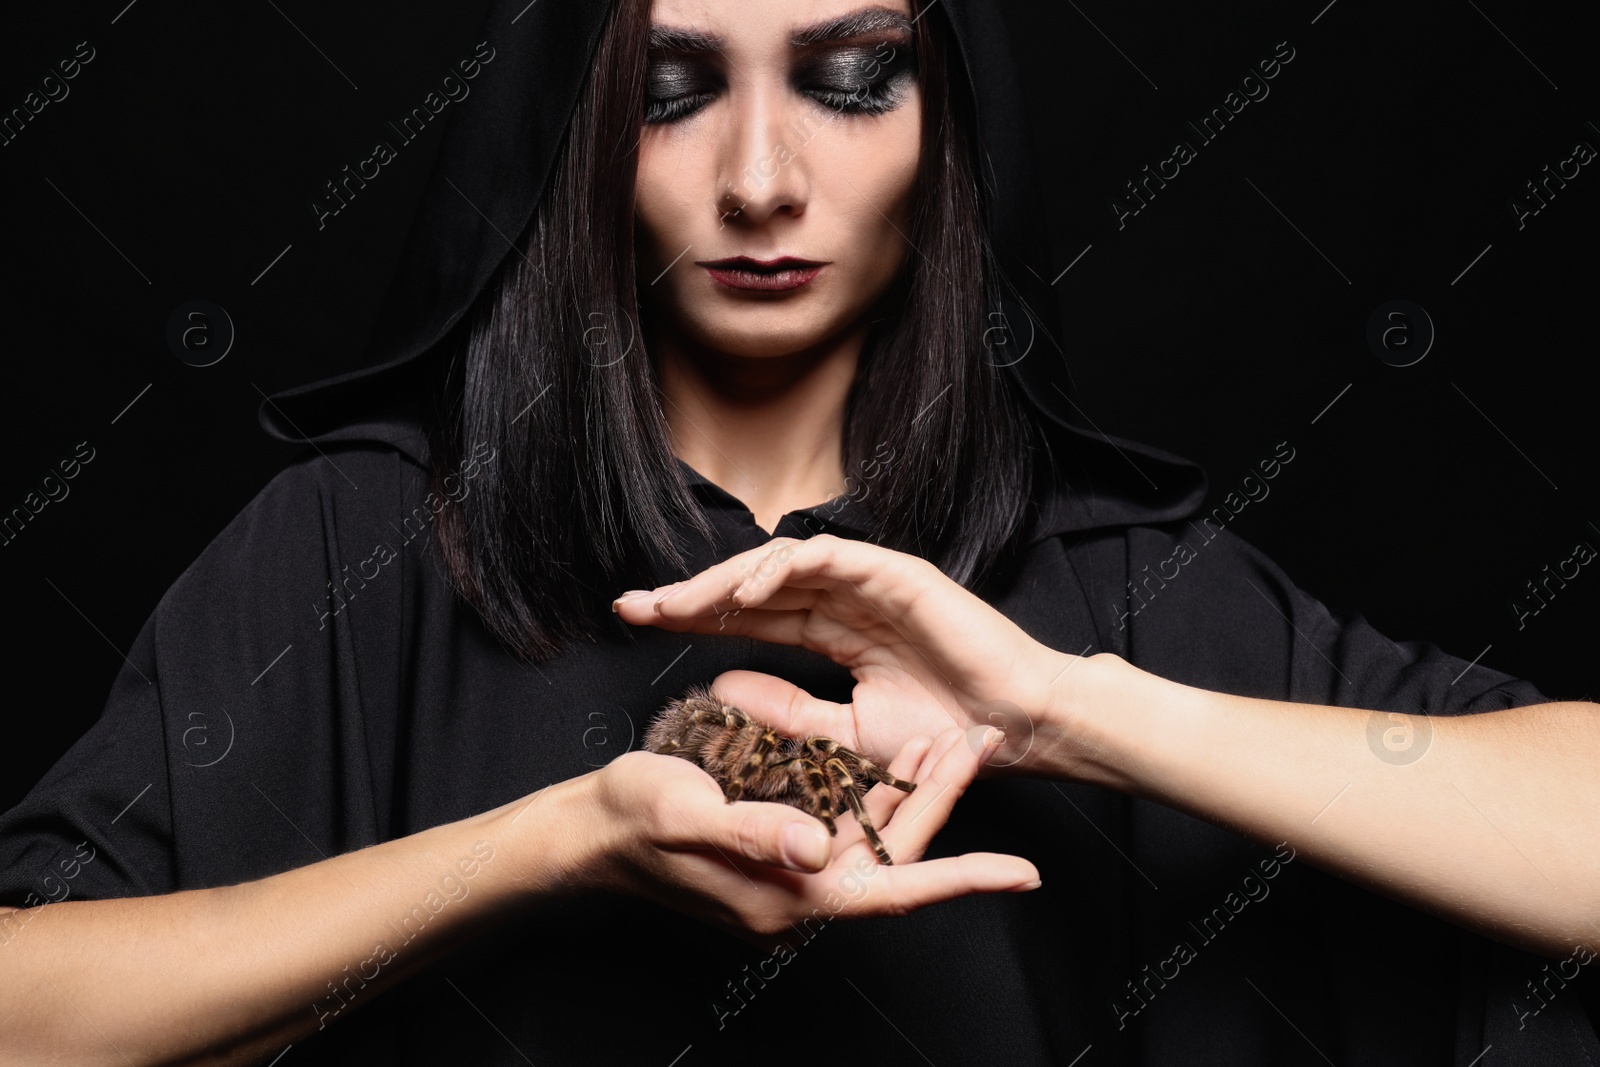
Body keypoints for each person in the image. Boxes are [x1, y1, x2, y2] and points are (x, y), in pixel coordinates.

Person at [1, 0, 1595, 1063]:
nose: (761, 180)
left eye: (849, 82)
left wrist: (1068, 709)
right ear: (579, 127)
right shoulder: (358, 551)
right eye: (673, 93)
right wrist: (549, 849)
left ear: (948, 123)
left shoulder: (1111, 578)